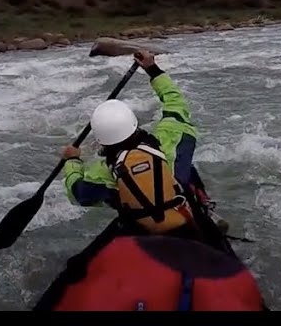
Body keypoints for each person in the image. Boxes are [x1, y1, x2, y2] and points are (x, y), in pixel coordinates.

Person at [60, 49, 224, 245]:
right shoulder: (171, 136)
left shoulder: (102, 173)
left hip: (144, 230)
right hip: (183, 218)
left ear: (101, 140)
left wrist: (72, 160)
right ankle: (204, 206)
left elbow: (77, 193)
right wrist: (152, 69)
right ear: (135, 123)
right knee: (186, 169)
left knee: (77, 265)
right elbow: (176, 104)